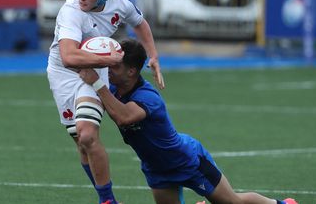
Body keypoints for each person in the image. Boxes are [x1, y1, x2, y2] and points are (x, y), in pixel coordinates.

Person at [79, 39, 298, 204]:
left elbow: (123, 116)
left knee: (233, 202)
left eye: (114, 66)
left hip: (187, 161)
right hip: (156, 169)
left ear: (132, 71)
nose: (107, 70)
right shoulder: (113, 88)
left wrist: (97, 84)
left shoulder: (148, 98)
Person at [46, 0, 164, 204]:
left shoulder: (120, 4)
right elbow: (69, 58)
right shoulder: (71, 11)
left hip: (95, 69)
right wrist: (108, 59)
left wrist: (153, 56)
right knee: (81, 143)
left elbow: (140, 23)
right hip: (64, 73)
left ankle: (107, 201)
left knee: (88, 136)